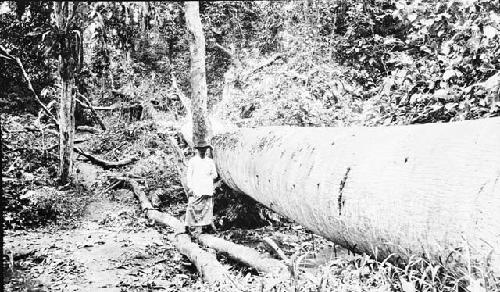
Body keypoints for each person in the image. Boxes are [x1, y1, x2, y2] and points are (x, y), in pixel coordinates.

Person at [184, 144, 218, 236]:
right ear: (197, 150)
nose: (202, 151)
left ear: (206, 150)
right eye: (200, 150)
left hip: (206, 188)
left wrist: (207, 177)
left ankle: (205, 227)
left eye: (204, 150)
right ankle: (188, 227)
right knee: (192, 206)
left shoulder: (210, 161)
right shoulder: (193, 161)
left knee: (206, 207)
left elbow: (215, 174)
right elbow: (189, 175)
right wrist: (190, 187)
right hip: (196, 187)